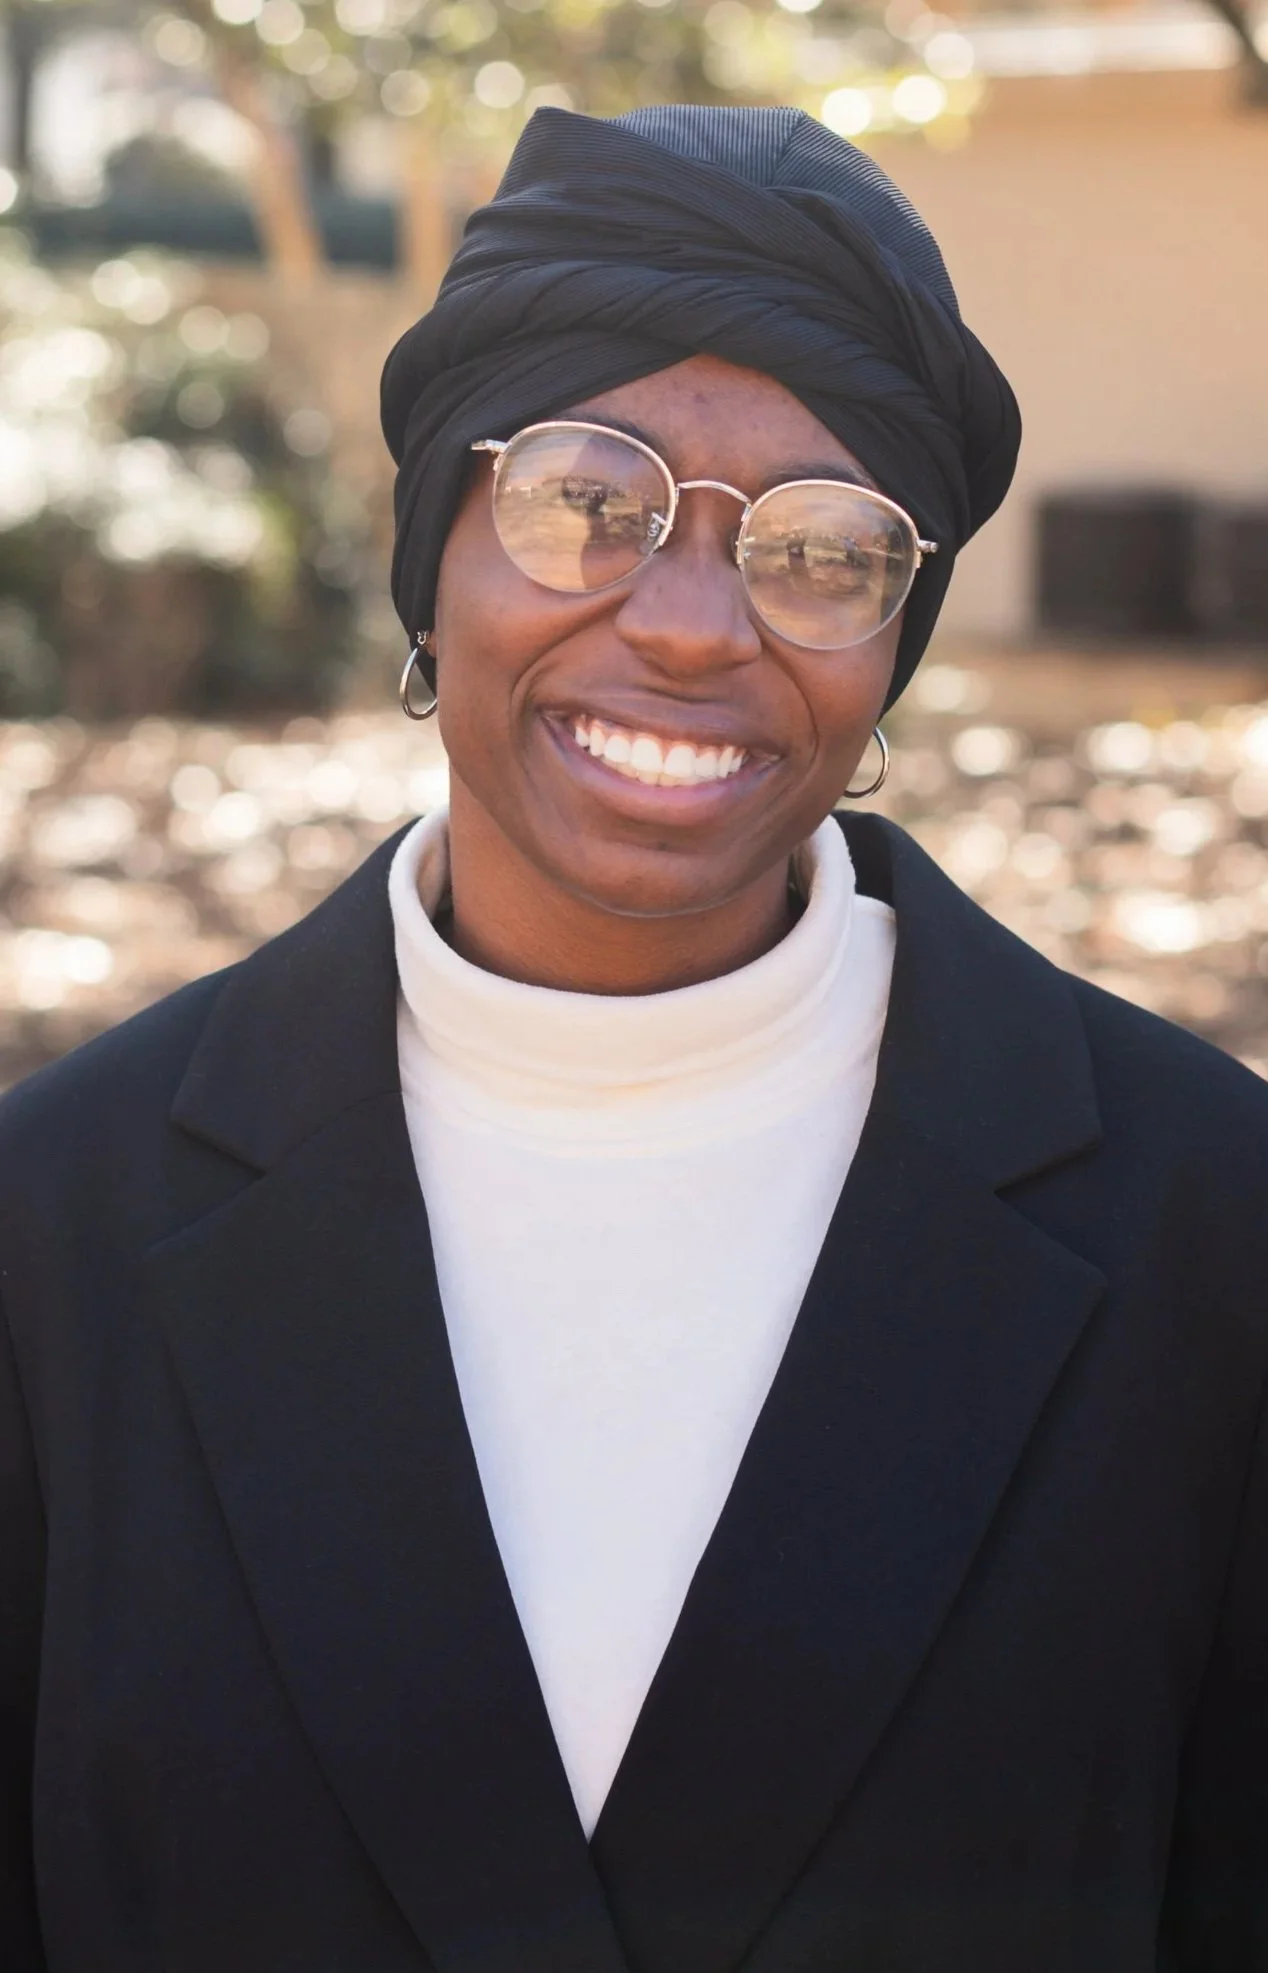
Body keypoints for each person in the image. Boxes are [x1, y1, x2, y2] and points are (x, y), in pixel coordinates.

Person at [2, 104, 1267, 1973]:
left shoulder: (1210, 1238)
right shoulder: (56, 1234)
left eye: (822, 550)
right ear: (432, 550)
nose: (688, 627)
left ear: (893, 646)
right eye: (586, 499)